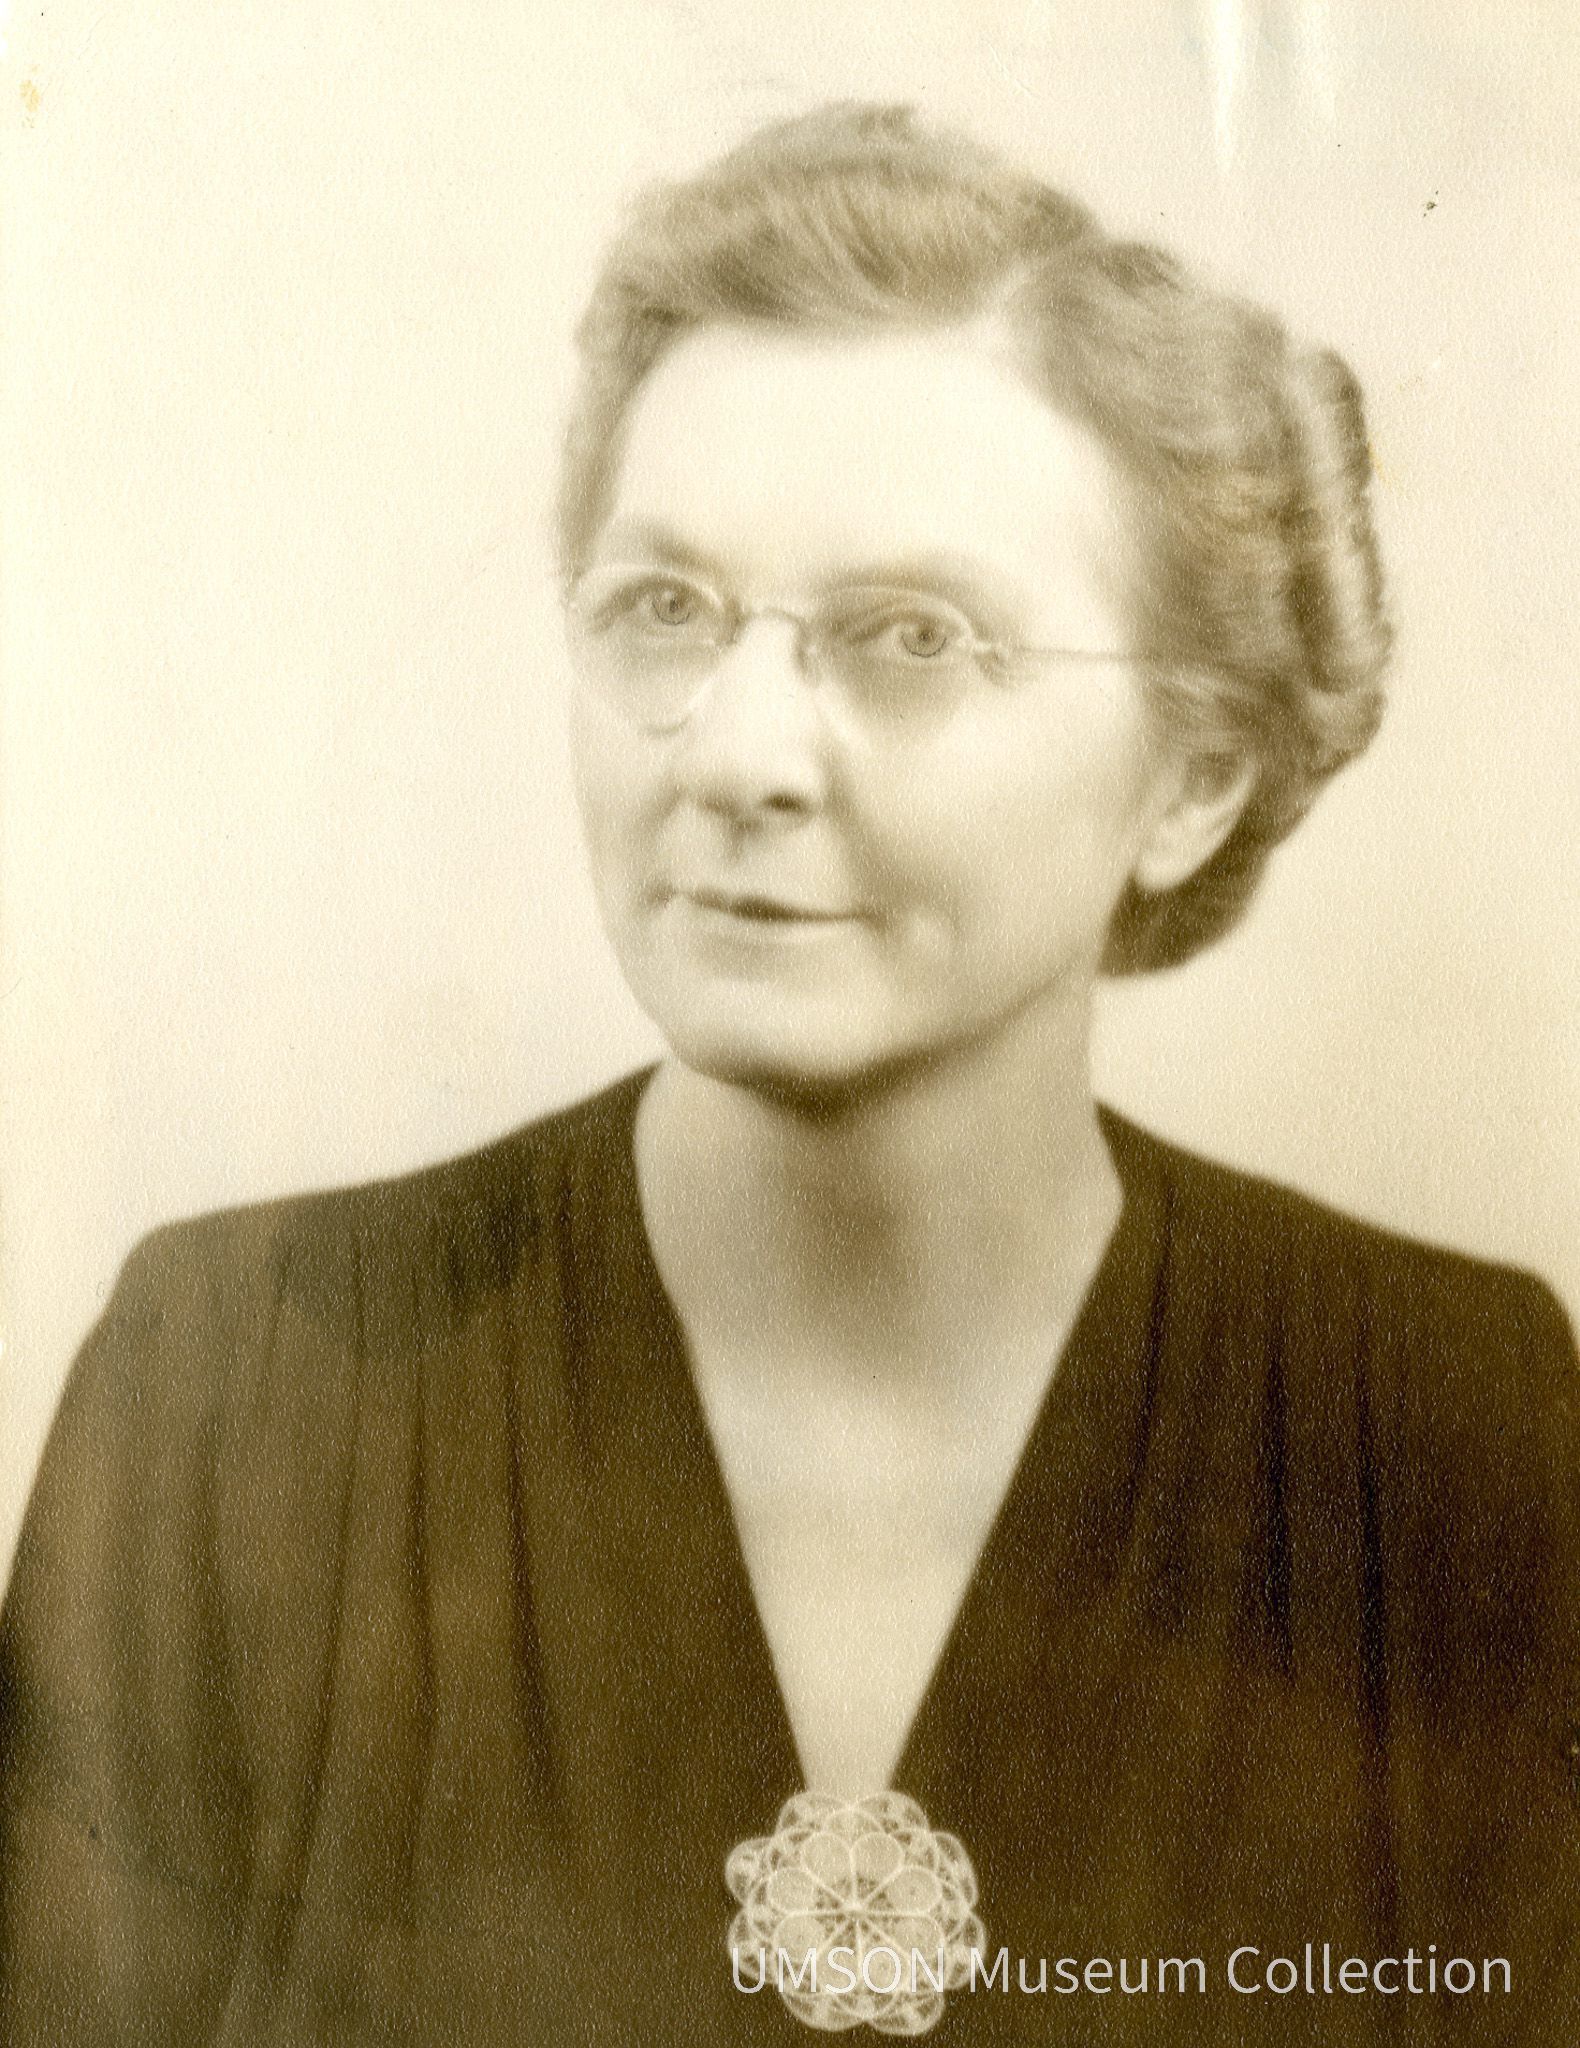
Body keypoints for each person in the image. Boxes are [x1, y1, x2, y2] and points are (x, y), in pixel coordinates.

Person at [2, 100, 1576, 2047]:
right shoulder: (233, 1398)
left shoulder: (1446, 1441)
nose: (738, 753)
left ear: (1190, 776)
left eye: (908, 636)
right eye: (663, 612)